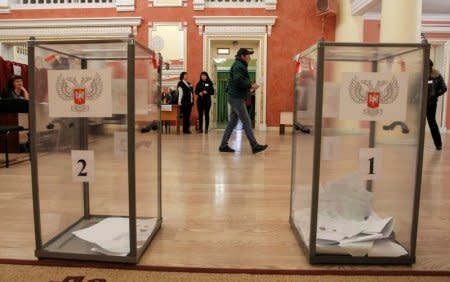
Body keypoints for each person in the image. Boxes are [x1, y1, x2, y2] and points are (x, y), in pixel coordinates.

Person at [219, 48, 268, 154]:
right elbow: (238, 80)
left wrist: (250, 88)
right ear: (242, 56)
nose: (250, 57)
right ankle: (254, 146)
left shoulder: (240, 65)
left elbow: (239, 82)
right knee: (246, 121)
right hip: (236, 98)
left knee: (232, 122)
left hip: (235, 96)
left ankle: (223, 145)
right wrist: (250, 85)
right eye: (248, 55)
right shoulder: (238, 65)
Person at [427, 59, 447, 150]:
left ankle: (438, 145)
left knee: (432, 123)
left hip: (431, 103)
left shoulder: (437, 75)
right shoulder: (420, 75)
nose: (428, 68)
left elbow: (444, 88)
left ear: (431, 66)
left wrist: (435, 95)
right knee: (418, 124)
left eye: (429, 66)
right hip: (421, 104)